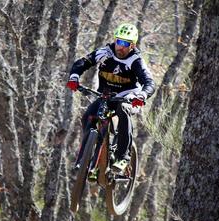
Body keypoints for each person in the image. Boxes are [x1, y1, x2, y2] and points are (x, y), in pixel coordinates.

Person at [66, 23, 155, 178]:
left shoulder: (136, 60)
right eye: (118, 41)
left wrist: (142, 96)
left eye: (125, 44)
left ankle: (123, 158)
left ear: (132, 45)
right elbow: (82, 62)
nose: (120, 47)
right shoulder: (105, 52)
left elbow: (149, 82)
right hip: (106, 96)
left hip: (129, 98)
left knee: (123, 109)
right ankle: (85, 160)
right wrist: (74, 77)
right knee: (88, 117)